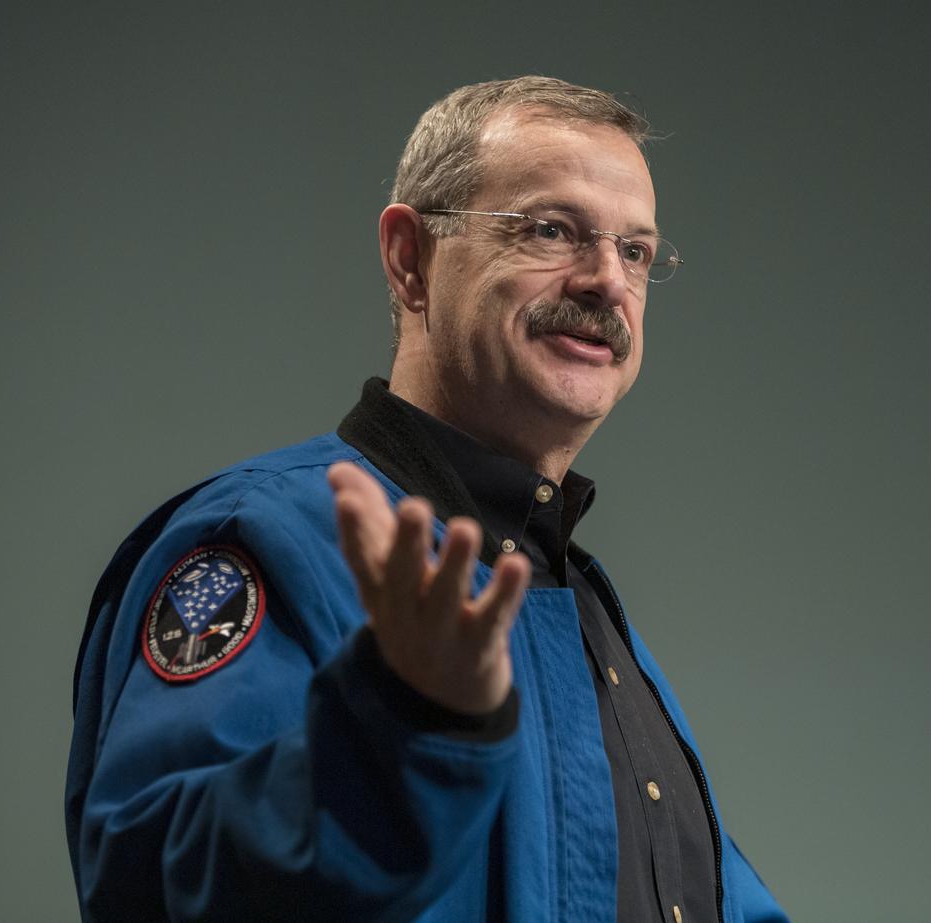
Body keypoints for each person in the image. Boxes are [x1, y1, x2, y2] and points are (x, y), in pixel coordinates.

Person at [66, 76, 788, 922]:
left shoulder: (577, 600)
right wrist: (402, 724)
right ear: (411, 260)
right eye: (551, 229)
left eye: (634, 251)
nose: (606, 281)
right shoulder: (264, 539)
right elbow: (156, 886)